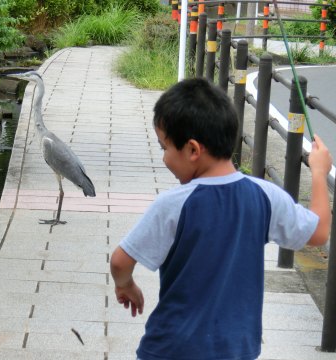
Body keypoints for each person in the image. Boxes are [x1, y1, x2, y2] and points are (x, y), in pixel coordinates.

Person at [110, 78, 332, 360]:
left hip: (171, 348)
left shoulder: (173, 204)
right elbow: (319, 232)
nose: (164, 158)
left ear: (192, 150)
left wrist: (125, 284)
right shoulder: (265, 196)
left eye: (164, 147)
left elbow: (120, 261)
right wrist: (318, 172)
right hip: (235, 350)